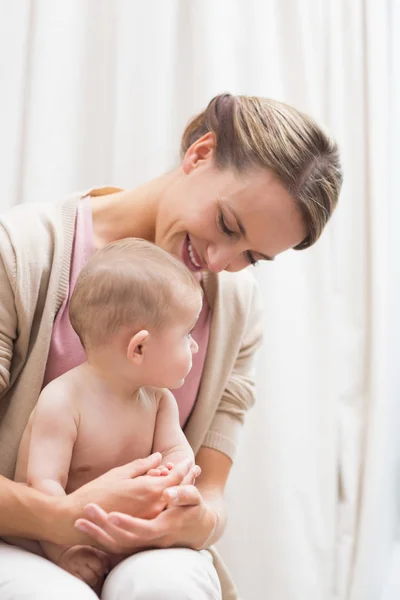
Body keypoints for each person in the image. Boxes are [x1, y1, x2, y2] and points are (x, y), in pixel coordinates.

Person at [0, 93, 342, 600]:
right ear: (200, 154)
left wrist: (189, 521)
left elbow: (211, 496)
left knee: (166, 586)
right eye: (227, 224)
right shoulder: (22, 251)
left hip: (139, 554)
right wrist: (63, 519)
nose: (218, 260)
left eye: (251, 255)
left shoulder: (237, 311)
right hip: (14, 537)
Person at [7, 238, 203, 592]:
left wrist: (176, 476)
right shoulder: (63, 401)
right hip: (52, 540)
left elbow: (177, 451)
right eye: (186, 334)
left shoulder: (159, 401)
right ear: (138, 348)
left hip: (122, 539)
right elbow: (44, 486)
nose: (195, 345)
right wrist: (65, 550)